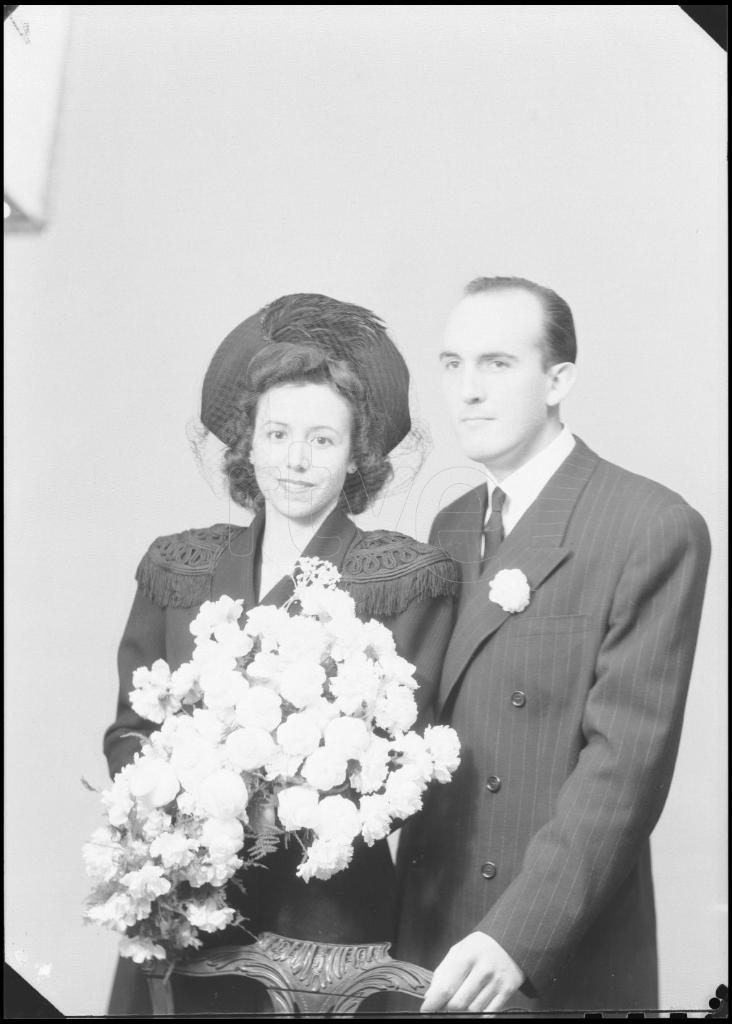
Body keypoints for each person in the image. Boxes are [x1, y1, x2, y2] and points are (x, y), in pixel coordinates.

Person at [103, 293, 457, 1015]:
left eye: (323, 440)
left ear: (356, 453)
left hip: (329, 930)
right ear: (248, 443)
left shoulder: (403, 580)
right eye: (277, 434)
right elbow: (127, 732)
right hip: (186, 909)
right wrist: (181, 818)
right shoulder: (180, 568)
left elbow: (406, 756)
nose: (295, 461)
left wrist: (275, 807)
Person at [395, 276, 711, 1014]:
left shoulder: (649, 525)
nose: (467, 391)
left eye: (497, 364)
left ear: (559, 379)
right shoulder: (448, 526)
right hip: (430, 939)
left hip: (547, 947)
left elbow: (622, 772)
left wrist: (517, 938)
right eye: (452, 364)